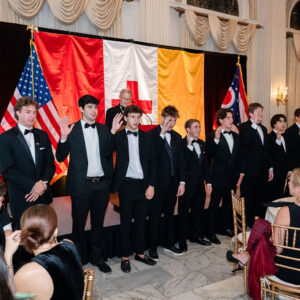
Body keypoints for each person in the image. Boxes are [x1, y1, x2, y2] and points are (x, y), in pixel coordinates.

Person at [56, 95, 113, 273]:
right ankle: (78, 260)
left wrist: (112, 134)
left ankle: (97, 258)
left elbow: (109, 153)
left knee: (98, 223)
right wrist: (63, 138)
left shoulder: (104, 129)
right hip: (81, 185)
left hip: (101, 185)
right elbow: (59, 157)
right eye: (89, 107)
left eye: (95, 107)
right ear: (81, 109)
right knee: (78, 225)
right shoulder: (72, 129)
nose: (93, 110)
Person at [226, 168, 300, 299]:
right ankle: (245, 256)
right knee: (264, 229)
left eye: (290, 181)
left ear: (296, 189)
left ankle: (246, 256)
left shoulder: (286, 212)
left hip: (289, 272)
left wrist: (268, 239)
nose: (288, 183)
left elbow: (278, 249)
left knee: (262, 230)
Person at [108, 105, 156, 273]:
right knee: (125, 223)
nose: (136, 120)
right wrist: (112, 131)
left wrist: (151, 185)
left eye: (138, 117)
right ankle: (125, 257)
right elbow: (106, 151)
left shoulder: (146, 136)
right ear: (126, 118)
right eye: (133, 117)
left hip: (143, 185)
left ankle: (141, 254)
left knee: (142, 222)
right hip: (126, 185)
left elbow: (151, 163)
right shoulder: (119, 136)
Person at [4, 204, 84, 300]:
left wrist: (7, 256)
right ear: (55, 232)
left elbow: (9, 297)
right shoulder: (69, 244)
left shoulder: (28, 273)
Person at [0, 96, 55, 229]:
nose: (32, 115)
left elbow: (50, 165)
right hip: (22, 198)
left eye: (34, 112)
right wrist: (32, 186)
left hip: (43, 197)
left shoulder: (43, 135)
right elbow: (8, 170)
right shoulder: (5, 138)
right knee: (25, 241)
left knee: (45, 238)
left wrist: (42, 184)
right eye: (27, 111)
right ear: (18, 113)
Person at [148, 106, 186, 260]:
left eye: (174, 120)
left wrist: (182, 182)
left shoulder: (177, 137)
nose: (172, 123)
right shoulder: (151, 135)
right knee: (155, 215)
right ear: (162, 118)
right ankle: (152, 248)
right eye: (169, 120)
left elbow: (181, 162)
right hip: (156, 184)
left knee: (170, 214)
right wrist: (162, 135)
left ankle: (169, 243)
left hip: (173, 183)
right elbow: (152, 160)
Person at [206, 108, 244, 244]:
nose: (231, 120)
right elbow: (209, 154)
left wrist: (241, 173)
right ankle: (211, 232)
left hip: (231, 177)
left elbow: (238, 157)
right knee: (214, 205)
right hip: (218, 176)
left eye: (231, 117)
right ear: (220, 120)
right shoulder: (212, 135)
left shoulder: (236, 136)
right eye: (227, 117)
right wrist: (216, 139)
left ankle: (224, 227)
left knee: (228, 204)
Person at [178, 119, 212, 252]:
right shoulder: (181, 144)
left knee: (197, 212)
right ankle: (181, 241)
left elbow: (205, 166)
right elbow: (181, 165)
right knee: (183, 214)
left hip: (199, 185)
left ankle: (195, 236)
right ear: (188, 129)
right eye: (195, 127)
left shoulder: (202, 144)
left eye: (199, 127)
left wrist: (208, 182)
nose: (198, 129)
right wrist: (182, 183)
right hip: (185, 185)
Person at [239, 103, 273, 227]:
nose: (261, 114)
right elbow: (245, 143)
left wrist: (270, 167)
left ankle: (257, 221)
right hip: (249, 170)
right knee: (248, 196)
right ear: (251, 113)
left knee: (260, 196)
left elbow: (266, 150)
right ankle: (247, 222)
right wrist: (253, 126)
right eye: (259, 112)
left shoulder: (263, 128)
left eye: (262, 111)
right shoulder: (244, 127)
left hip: (262, 170)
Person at [265, 114, 290, 202]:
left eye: (284, 121)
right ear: (274, 124)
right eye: (280, 121)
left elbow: (287, 155)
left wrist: (289, 169)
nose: (283, 124)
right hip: (274, 173)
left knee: (281, 196)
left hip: (284, 172)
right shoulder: (268, 137)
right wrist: (278, 141)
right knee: (272, 196)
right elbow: (269, 155)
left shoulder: (285, 137)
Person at [0, 181, 12, 248]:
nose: (1, 204)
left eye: (1, 200)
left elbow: (7, 228)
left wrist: (10, 238)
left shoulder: (2, 209)